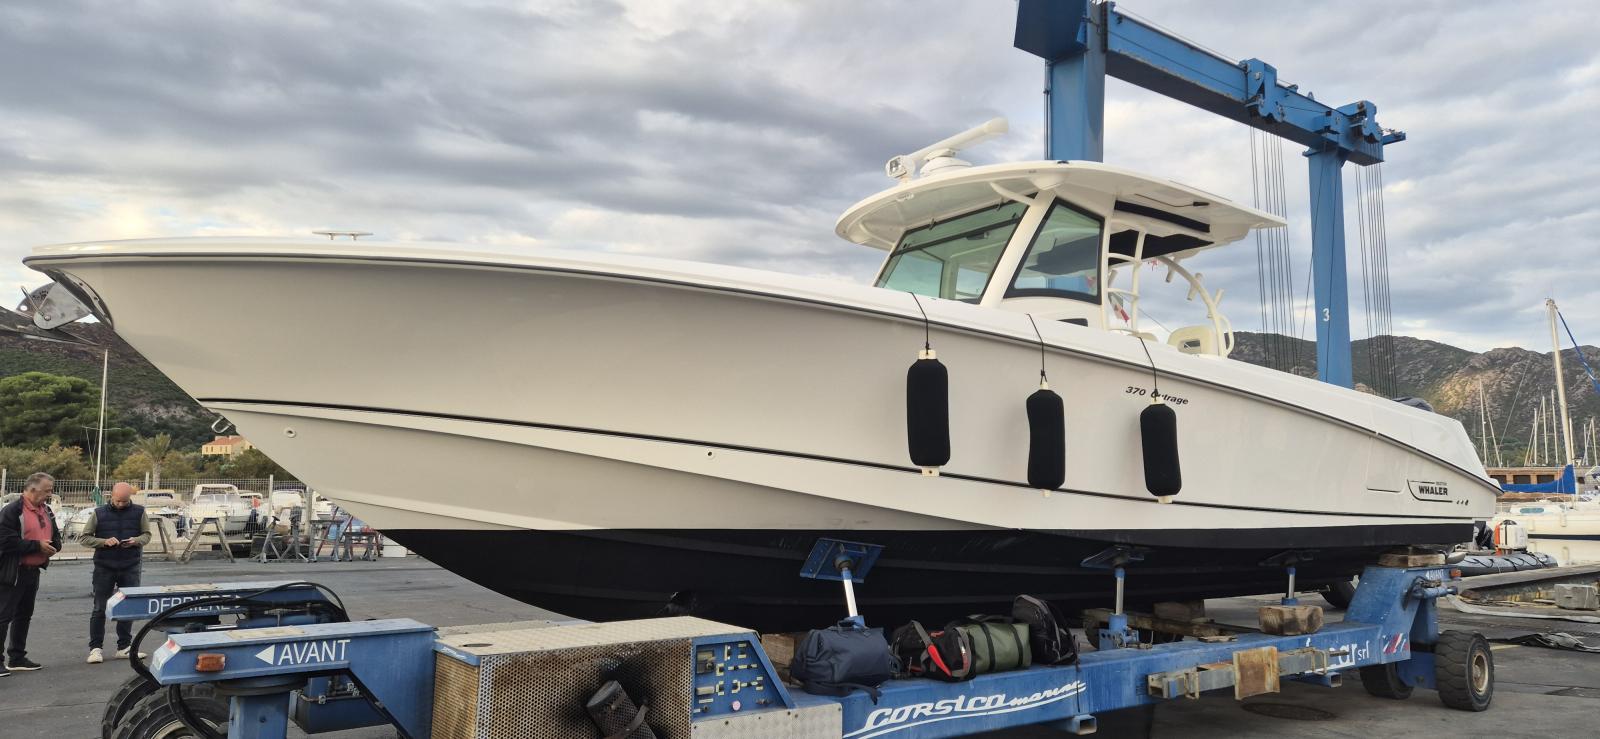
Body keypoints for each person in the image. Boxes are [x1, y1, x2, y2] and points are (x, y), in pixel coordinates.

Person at [79, 481, 152, 664]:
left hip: (130, 565)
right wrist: (103, 542)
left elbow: (147, 535)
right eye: (118, 501)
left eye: (124, 501)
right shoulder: (98, 513)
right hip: (104, 566)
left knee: (127, 607)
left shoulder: (139, 512)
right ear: (111, 496)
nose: (120, 504)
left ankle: (124, 647)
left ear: (130, 498)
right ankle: (95, 648)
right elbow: (84, 538)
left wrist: (136, 541)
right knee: (99, 608)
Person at [0, 472, 62, 676]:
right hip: (12, 571)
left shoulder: (47, 510)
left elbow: (54, 535)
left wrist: (54, 546)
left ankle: (17, 657)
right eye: (47, 490)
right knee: (3, 616)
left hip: (33, 571)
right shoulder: (11, 511)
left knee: (24, 615)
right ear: (32, 489)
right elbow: (5, 541)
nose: (50, 494)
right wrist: (37, 546)